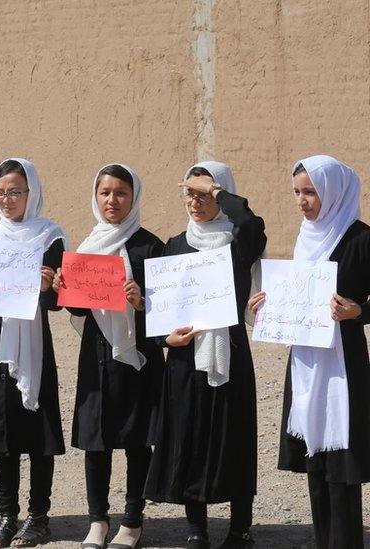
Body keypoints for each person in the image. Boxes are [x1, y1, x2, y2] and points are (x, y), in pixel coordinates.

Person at [144, 161, 266, 549]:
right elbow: (159, 308)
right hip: (185, 360)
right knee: (190, 437)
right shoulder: (176, 245)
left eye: (204, 195)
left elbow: (251, 221)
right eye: (189, 193)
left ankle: (239, 529)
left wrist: (216, 190)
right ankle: (196, 528)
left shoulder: (240, 241)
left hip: (228, 353)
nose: (195, 203)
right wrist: (167, 340)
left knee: (234, 437)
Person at [54, 164, 164, 549]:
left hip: (138, 357)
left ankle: (132, 521)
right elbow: (81, 311)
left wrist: (142, 301)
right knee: (96, 439)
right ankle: (97, 521)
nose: (112, 201)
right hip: (97, 355)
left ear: (134, 198)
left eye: (120, 193)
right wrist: (64, 290)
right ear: (95, 197)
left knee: (137, 440)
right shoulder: (86, 247)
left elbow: (168, 311)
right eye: (105, 193)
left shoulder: (151, 247)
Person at [262, 155, 370, 549]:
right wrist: (267, 306)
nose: (303, 201)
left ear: (334, 192)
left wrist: (359, 311)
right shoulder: (305, 237)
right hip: (307, 360)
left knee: (341, 456)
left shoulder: (360, 239)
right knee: (315, 451)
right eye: (297, 192)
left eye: (311, 192)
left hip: (343, 361)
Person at [0, 158, 67, 548]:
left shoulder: (50, 237)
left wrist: (50, 288)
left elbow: (62, 300)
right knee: (3, 430)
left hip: (34, 341)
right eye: (1, 192)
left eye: (16, 192)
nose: (8, 199)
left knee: (38, 430)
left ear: (32, 193)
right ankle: (7, 516)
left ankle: (38, 517)